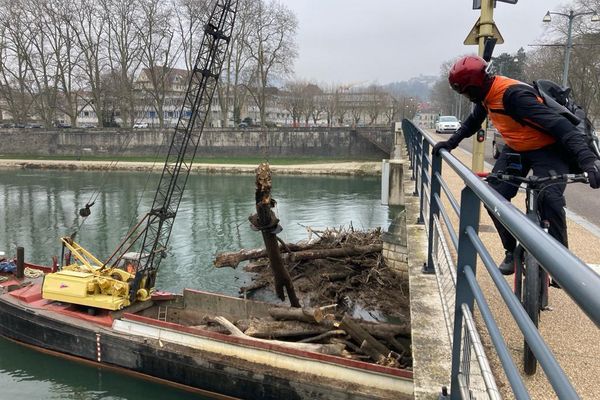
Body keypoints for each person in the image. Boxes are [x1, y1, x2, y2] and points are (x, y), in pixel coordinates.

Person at [432, 55, 600, 275]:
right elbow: (473, 122)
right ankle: (511, 250)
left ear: (473, 88)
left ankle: (562, 263)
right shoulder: (486, 95)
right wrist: (450, 143)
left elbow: (561, 127)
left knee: (549, 196)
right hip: (516, 148)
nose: (466, 97)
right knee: (492, 194)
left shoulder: (514, 96)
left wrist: (588, 160)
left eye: (465, 92)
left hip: (547, 149)